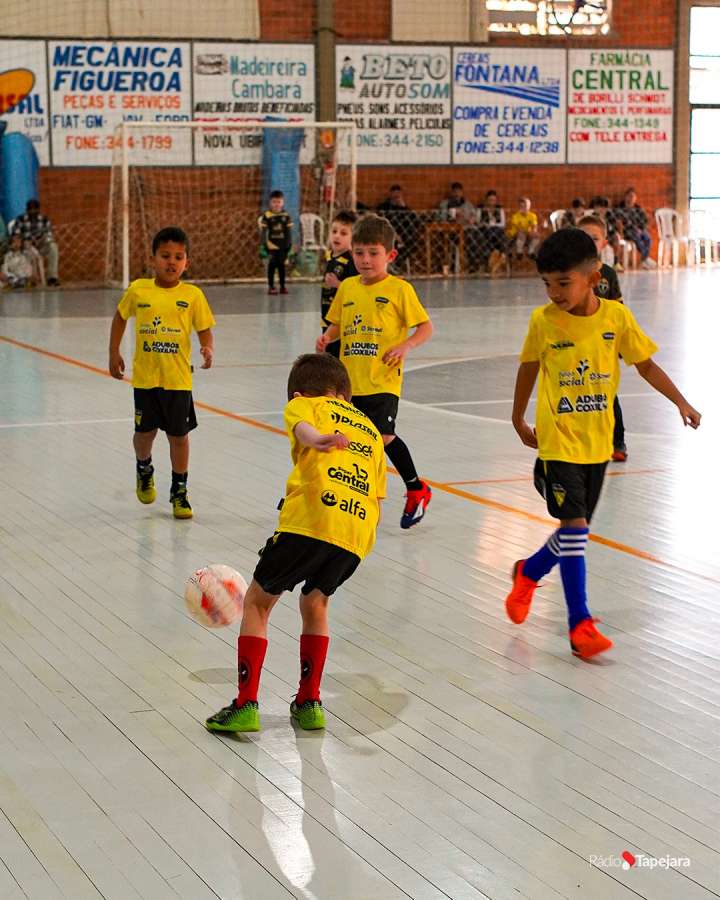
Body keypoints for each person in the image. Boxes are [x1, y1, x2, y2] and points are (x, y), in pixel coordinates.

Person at [505, 228, 700, 658]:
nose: (554, 293)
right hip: (557, 444)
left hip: (597, 444)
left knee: (574, 533)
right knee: (575, 529)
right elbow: (528, 368)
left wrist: (681, 401)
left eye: (563, 283)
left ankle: (529, 571)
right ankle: (580, 624)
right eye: (547, 284)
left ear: (593, 278)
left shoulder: (616, 318)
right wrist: (517, 417)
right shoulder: (543, 321)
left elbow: (646, 366)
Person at [205, 353, 387, 733]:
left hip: (311, 518)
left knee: (258, 601)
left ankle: (245, 704)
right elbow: (379, 496)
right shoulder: (370, 429)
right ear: (346, 396)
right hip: (357, 532)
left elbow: (303, 428)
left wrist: (318, 439)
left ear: (298, 394)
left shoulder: (306, 404)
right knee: (316, 602)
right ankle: (309, 703)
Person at [316, 214, 434, 529]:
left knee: (382, 436)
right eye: (359, 253)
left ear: (390, 255)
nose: (365, 260)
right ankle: (347, 495)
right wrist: (327, 337)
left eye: (373, 253)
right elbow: (338, 323)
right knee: (348, 439)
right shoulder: (348, 287)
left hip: (383, 380)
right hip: (349, 382)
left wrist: (406, 345)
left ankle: (416, 488)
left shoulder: (399, 289)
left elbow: (426, 327)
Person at [108, 226, 215, 519]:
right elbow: (120, 317)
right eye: (165, 255)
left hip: (178, 380)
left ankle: (179, 491)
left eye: (178, 257)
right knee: (145, 433)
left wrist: (207, 348)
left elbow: (204, 328)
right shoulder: (138, 290)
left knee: (179, 437)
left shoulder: (192, 295)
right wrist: (113, 351)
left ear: (186, 262)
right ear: (153, 258)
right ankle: (144, 467)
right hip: (146, 379)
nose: (172, 262)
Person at [579, 215, 628, 461]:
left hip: (603, 344)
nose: (589, 243)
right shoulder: (570, 272)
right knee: (577, 393)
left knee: (606, 393)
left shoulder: (608, 273)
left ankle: (617, 442)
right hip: (577, 344)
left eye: (594, 238)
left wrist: (620, 341)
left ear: (604, 243)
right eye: (583, 238)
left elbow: (618, 308)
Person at [321, 210, 358, 358]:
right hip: (327, 313)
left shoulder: (351, 261)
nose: (337, 236)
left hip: (342, 318)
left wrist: (338, 284)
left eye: (343, 233)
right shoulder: (329, 256)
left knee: (338, 354)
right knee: (327, 351)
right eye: (334, 231)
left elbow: (357, 288)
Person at [10, 198, 60, 286]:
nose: (32, 211)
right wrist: (26, 241)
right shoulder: (20, 219)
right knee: (29, 250)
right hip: (27, 246)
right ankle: (32, 278)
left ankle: (52, 277)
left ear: (38, 210)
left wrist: (41, 240)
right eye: (30, 209)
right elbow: (16, 235)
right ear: (27, 210)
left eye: (35, 209)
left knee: (53, 247)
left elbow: (49, 235)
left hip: (41, 245)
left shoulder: (44, 219)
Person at [377, 184, 417, 272]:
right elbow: (382, 221)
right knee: (391, 242)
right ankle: (393, 265)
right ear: (390, 195)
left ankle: (398, 264)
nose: (396, 197)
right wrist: (394, 234)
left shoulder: (404, 209)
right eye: (394, 195)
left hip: (404, 236)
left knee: (412, 242)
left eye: (398, 195)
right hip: (389, 233)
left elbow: (413, 221)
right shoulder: (384, 207)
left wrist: (404, 207)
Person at [259, 190, 292, 294]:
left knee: (282, 267)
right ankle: (271, 286)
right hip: (271, 246)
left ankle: (282, 286)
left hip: (283, 246)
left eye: (279, 202)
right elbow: (264, 232)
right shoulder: (267, 215)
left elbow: (288, 232)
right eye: (274, 202)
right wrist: (263, 245)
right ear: (270, 202)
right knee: (272, 266)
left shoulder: (286, 216)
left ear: (283, 202)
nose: (276, 204)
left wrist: (289, 245)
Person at [616, 188, 655, 268]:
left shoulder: (638, 208)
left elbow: (644, 221)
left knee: (648, 239)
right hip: (627, 232)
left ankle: (644, 259)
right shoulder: (620, 208)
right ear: (625, 197)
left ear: (635, 198)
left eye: (633, 197)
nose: (631, 198)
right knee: (638, 239)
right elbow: (618, 222)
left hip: (639, 230)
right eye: (629, 196)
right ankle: (645, 259)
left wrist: (640, 229)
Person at [477, 190, 507, 275]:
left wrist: (493, 225)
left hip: (497, 230)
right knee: (489, 233)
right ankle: (500, 255)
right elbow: (478, 222)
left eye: (493, 200)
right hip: (485, 231)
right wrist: (485, 224)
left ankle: (500, 255)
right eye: (490, 200)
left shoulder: (499, 209)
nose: (492, 202)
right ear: (486, 200)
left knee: (500, 233)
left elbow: (503, 223)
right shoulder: (480, 209)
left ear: (496, 200)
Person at [589, 196, 622, 269]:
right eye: (599, 207)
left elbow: (616, 227)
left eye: (604, 207)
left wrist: (618, 234)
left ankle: (616, 262)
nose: (601, 209)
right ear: (594, 208)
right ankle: (597, 262)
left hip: (608, 236)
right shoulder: (592, 217)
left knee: (616, 237)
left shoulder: (610, 215)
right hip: (596, 237)